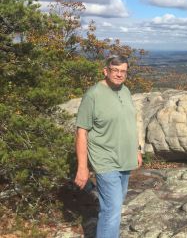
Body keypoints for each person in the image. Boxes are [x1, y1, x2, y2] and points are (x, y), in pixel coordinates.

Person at [74, 55, 142, 238]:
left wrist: (137, 149)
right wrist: (82, 167)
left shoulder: (125, 91)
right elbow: (81, 132)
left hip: (125, 159)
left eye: (123, 71)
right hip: (105, 160)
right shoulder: (93, 95)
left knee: (115, 206)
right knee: (111, 210)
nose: (119, 75)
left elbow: (129, 122)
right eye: (115, 70)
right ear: (106, 71)